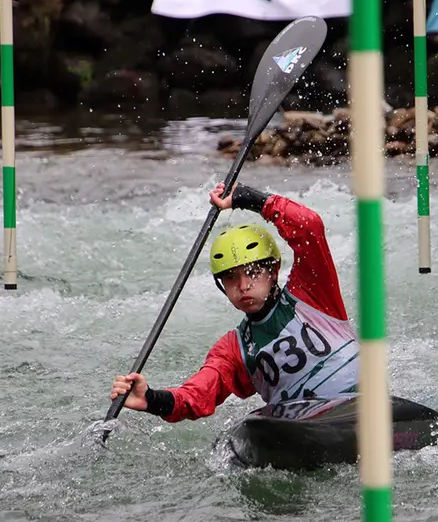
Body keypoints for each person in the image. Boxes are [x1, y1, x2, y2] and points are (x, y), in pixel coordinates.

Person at [109, 181, 360, 422]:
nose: (243, 286)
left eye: (252, 272)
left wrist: (248, 198)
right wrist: (151, 399)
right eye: (231, 278)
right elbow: (197, 394)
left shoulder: (311, 294)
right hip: (307, 428)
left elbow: (309, 226)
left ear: (273, 271)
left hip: (358, 403)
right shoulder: (235, 349)